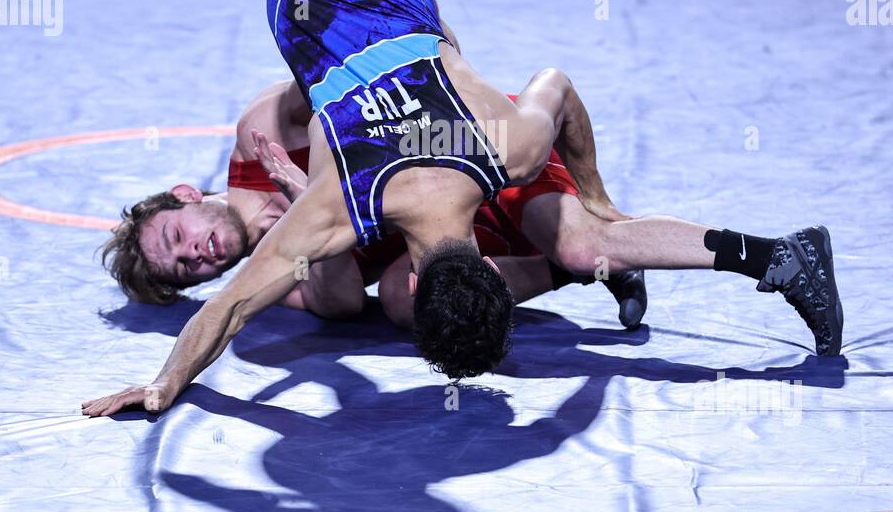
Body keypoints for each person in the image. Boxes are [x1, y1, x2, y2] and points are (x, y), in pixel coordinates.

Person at [82, 0, 842, 418]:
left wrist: (582, 182)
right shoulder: (341, 203)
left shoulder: (492, 151)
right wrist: (163, 383)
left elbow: (551, 86)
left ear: (479, 265)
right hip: (294, 6)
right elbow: (227, 312)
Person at [100, 76, 649, 327]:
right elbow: (339, 304)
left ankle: (601, 235)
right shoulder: (276, 277)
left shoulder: (259, 131)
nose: (196, 253)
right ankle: (580, 271)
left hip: (476, 155)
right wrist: (304, 200)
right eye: (189, 270)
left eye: (178, 236)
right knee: (399, 297)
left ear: (186, 195)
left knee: (586, 238)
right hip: (456, 230)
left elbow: (346, 74)